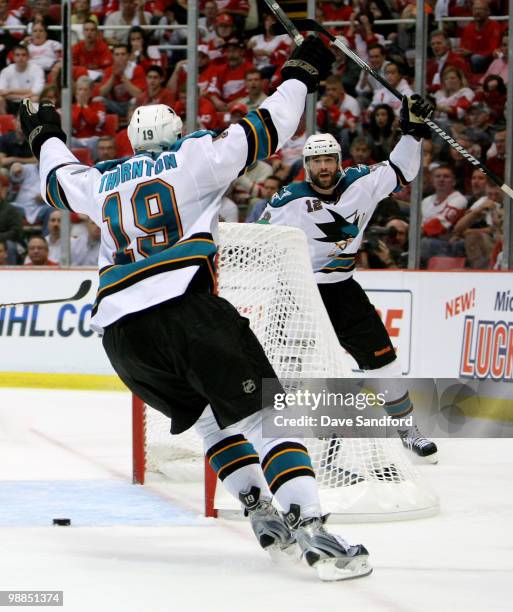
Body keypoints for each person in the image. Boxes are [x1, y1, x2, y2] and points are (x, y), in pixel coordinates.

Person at [21, 35, 372, 582]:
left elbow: (55, 178)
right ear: (172, 135)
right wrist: (302, 71)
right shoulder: (196, 155)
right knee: (267, 416)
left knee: (212, 420)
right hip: (187, 310)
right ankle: (311, 528)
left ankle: (261, 514)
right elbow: (272, 125)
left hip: (122, 341)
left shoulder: (101, 181)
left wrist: (44, 131)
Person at [258, 97, 438, 461]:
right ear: (306, 165)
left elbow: (402, 169)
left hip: (342, 289)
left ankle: (407, 429)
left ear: (339, 161)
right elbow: (260, 241)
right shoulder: (286, 201)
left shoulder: (363, 183)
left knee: (383, 360)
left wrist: (413, 131)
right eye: (316, 161)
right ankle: (281, 437)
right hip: (298, 292)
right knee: (286, 368)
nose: (323, 167)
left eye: (329, 159)